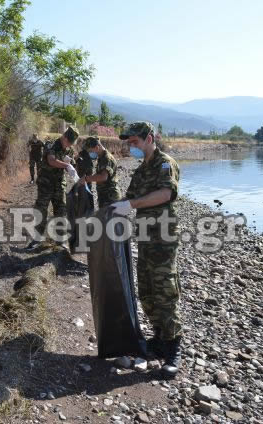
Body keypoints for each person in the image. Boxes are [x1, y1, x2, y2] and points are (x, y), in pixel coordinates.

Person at [111, 121, 182, 377]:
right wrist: (109, 210)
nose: (132, 147)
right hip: (145, 238)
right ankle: (159, 340)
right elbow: (128, 198)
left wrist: (131, 205)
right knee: (147, 292)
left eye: (135, 142)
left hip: (163, 238)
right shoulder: (141, 171)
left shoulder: (165, 163)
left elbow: (165, 194)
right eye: (129, 143)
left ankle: (174, 349)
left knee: (165, 292)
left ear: (149, 139)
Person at [28, 126, 79, 248]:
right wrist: (67, 166)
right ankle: (37, 239)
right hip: (46, 183)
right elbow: (51, 161)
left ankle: (60, 241)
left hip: (59, 184)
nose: (69, 145)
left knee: (61, 211)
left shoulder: (69, 149)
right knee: (41, 210)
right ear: (64, 137)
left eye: (72, 143)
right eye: (69, 141)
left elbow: (72, 164)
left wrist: (72, 166)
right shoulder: (51, 145)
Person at [78, 136, 121, 208]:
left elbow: (103, 177)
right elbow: (99, 174)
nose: (90, 153)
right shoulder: (101, 157)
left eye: (91, 151)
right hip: (105, 196)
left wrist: (86, 179)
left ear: (97, 147)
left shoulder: (107, 158)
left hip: (110, 197)